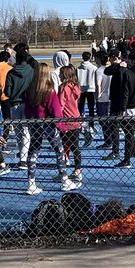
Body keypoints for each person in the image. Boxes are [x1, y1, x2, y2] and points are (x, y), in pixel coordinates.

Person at [21, 62, 79, 194]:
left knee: (33, 151)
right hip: (48, 124)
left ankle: (31, 183)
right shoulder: (49, 90)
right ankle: (64, 179)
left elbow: (27, 109)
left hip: (35, 123)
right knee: (59, 150)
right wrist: (61, 126)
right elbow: (56, 110)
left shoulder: (31, 89)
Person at [3, 45, 37, 168]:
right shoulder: (32, 71)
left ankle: (23, 155)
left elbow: (7, 91)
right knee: (26, 131)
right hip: (27, 103)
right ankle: (24, 156)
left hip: (14, 104)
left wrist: (13, 93)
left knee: (18, 131)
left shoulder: (11, 73)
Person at [56, 64, 83, 184]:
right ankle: (77, 170)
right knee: (74, 146)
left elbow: (60, 105)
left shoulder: (63, 87)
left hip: (66, 121)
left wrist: (56, 118)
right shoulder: (75, 86)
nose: (59, 75)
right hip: (76, 119)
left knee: (62, 148)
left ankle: (63, 172)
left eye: (61, 74)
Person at [77, 51, 99, 143]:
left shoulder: (78, 68)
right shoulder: (94, 68)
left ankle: (79, 125)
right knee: (90, 109)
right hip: (91, 89)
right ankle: (91, 126)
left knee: (80, 109)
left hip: (81, 89)